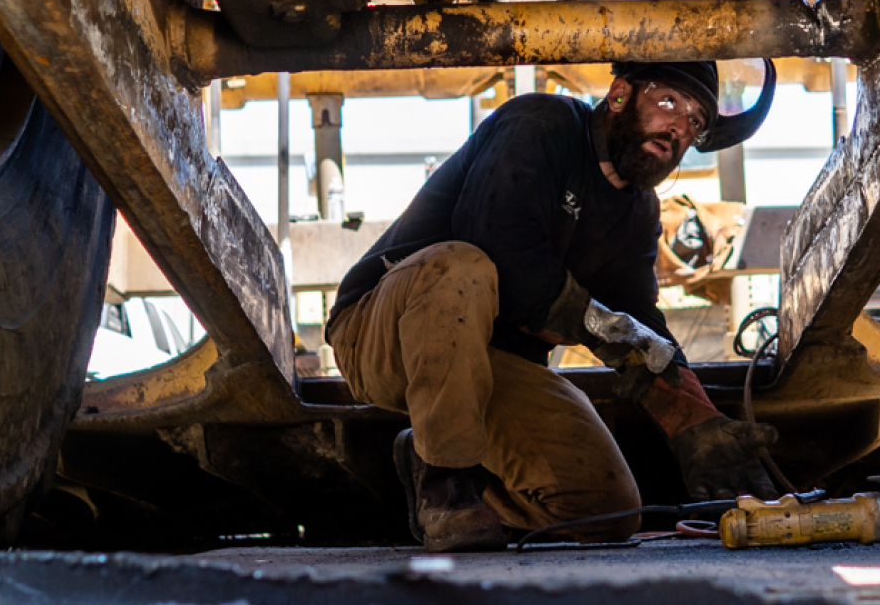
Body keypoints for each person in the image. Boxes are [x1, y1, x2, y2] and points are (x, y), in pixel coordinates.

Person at [327, 60, 781, 552]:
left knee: (608, 511)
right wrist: (605, 331)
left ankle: (439, 458)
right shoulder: (539, 125)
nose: (678, 127)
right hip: (384, 332)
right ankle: (446, 485)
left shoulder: (637, 213)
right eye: (668, 102)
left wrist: (694, 418)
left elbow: (638, 324)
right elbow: (505, 252)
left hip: (485, 363)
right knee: (461, 266)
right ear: (620, 95)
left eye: (694, 121)